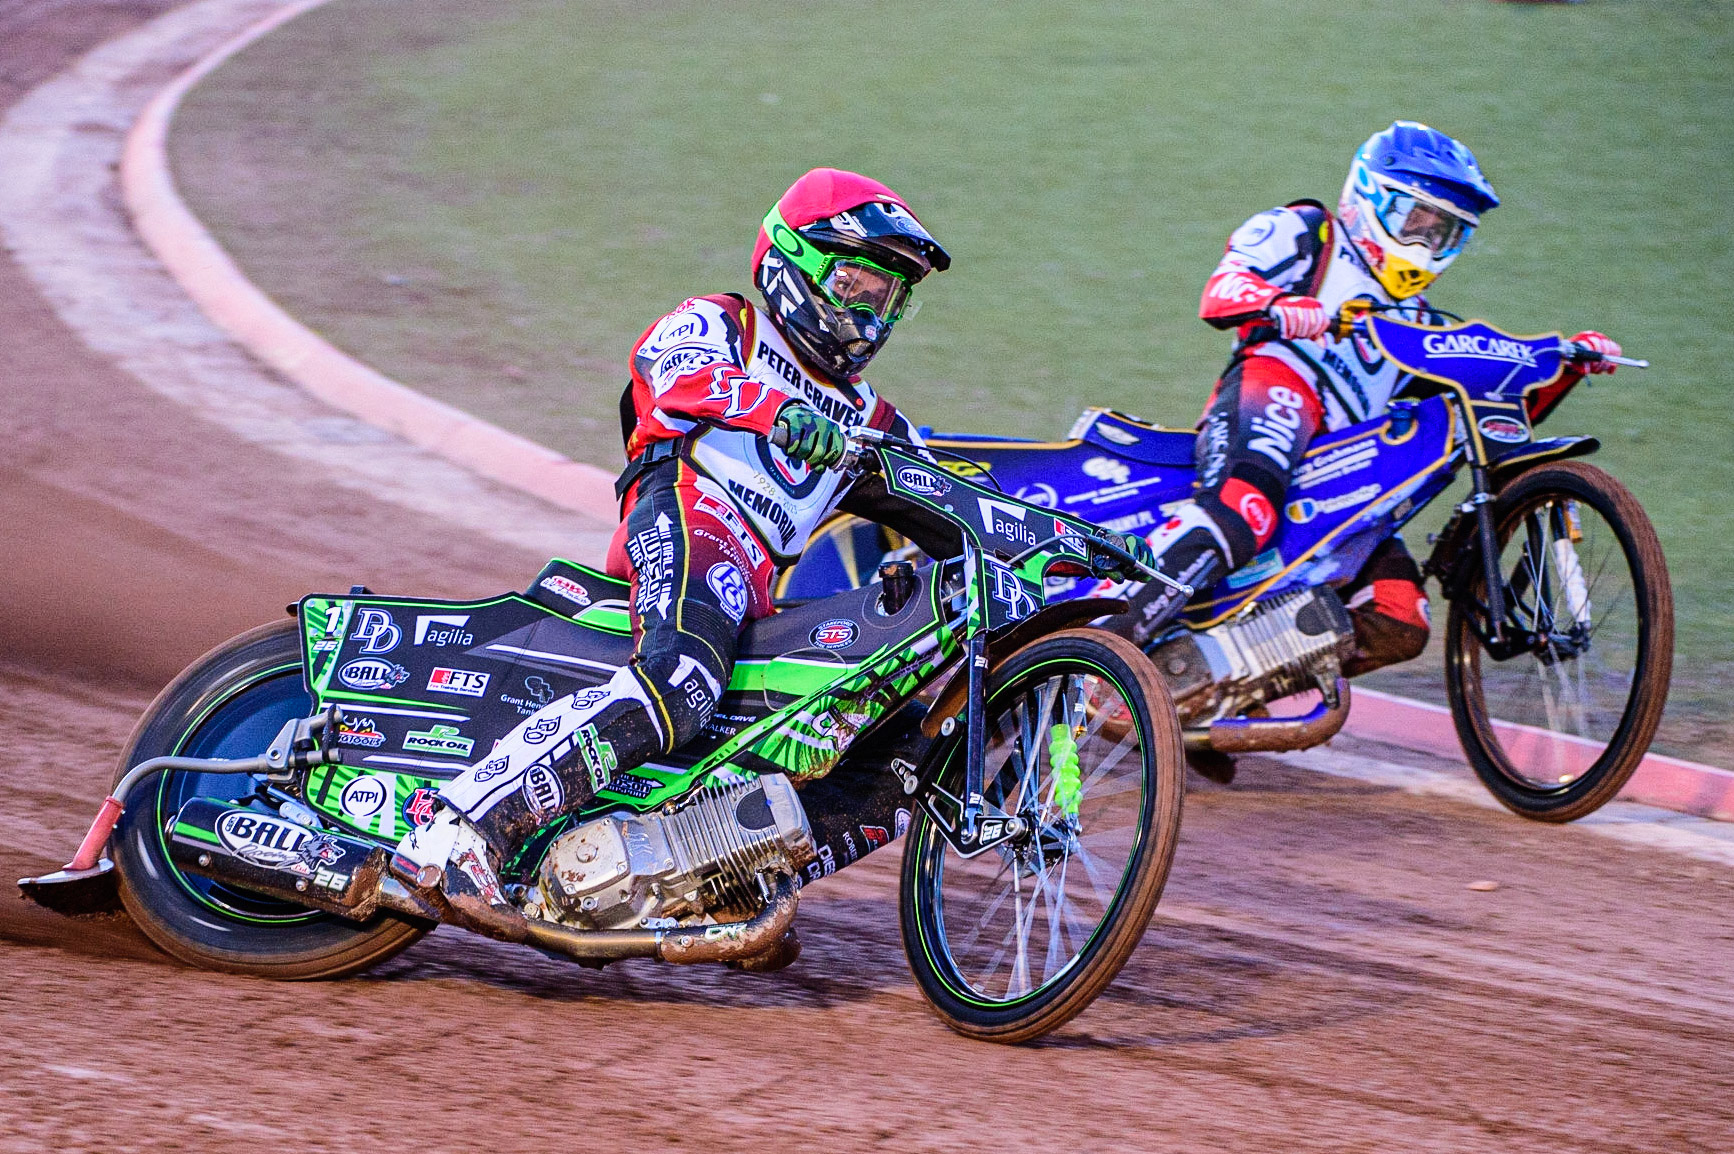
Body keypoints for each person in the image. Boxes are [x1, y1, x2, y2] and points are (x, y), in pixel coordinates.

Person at [390, 168, 969, 935]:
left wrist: (1071, 547)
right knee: (683, 679)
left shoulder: (872, 419)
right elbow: (679, 377)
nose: (871, 313)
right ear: (794, 263)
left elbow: (954, 500)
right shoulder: (725, 323)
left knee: (901, 746)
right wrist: (778, 411)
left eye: (889, 297)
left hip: (756, 588)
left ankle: (715, 880)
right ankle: (458, 830)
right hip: (686, 515)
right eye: (856, 285)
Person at [1110, 121, 1623, 679]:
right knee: (1244, 510)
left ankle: (1202, 689)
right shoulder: (1307, 231)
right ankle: (1100, 634)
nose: (1425, 243)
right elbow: (1222, 291)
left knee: (1402, 619)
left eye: (1444, 231)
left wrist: (1566, 369)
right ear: (1369, 198)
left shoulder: (1421, 322)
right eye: (1415, 220)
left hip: (1351, 467)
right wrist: (1280, 306)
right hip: (1278, 386)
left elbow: (1482, 416)